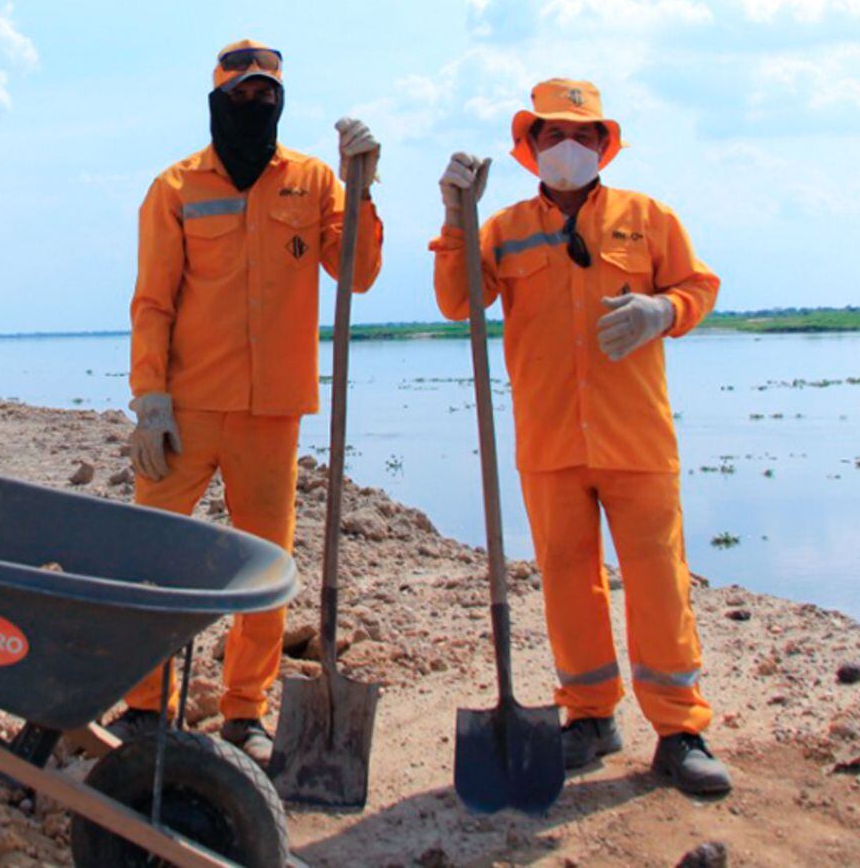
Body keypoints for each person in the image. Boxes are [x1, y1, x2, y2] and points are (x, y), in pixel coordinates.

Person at [431, 78, 731, 795]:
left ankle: (680, 729)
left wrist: (663, 310)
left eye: (583, 134)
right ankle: (591, 716)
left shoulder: (647, 218)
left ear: (605, 143)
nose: (569, 146)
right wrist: (455, 220)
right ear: (530, 147)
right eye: (554, 134)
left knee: (659, 582)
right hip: (550, 440)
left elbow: (699, 287)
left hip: (637, 441)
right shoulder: (500, 227)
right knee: (569, 581)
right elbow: (457, 302)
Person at [117, 40, 384, 765]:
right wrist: (150, 399)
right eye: (240, 94)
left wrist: (362, 190)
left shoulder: (313, 181)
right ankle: (144, 706)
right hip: (187, 412)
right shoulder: (174, 187)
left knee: (265, 571)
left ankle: (245, 711)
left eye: (265, 94)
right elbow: (152, 301)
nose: (253, 104)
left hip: (272, 414)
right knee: (152, 561)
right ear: (216, 101)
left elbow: (355, 273)